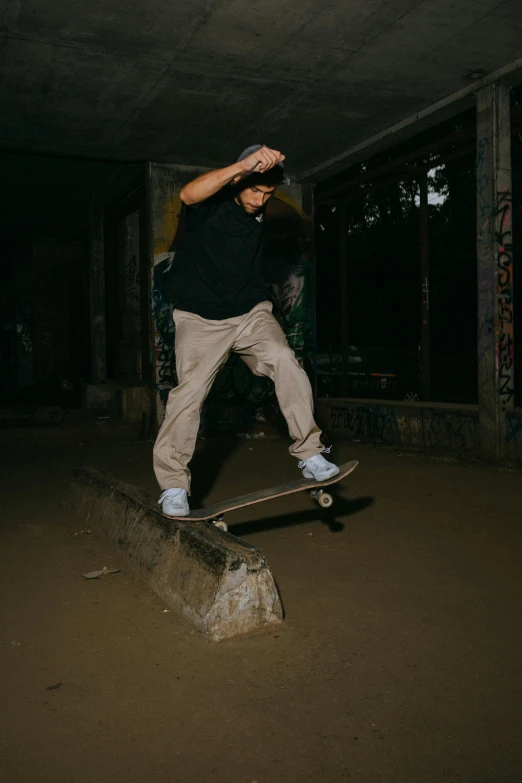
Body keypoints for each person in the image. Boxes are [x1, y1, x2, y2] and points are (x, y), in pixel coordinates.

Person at [154, 144, 340, 517]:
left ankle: (310, 454)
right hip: (200, 318)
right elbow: (188, 193)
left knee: (285, 359)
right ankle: (174, 486)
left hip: (249, 312)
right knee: (188, 394)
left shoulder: (263, 205)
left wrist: (264, 177)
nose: (259, 200)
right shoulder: (207, 207)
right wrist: (242, 167)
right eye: (254, 191)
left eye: (267, 194)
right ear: (238, 181)